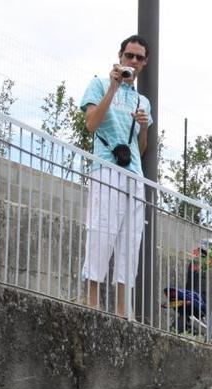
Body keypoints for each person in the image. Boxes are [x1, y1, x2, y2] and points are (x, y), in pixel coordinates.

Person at [80, 34, 153, 317]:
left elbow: (140, 148)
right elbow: (91, 124)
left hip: (133, 173)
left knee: (130, 239)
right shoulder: (99, 84)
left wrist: (144, 127)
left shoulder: (142, 101)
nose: (132, 62)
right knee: (101, 230)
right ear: (120, 56)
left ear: (144, 63)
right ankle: (92, 302)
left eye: (138, 58)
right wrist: (112, 87)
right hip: (106, 167)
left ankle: (124, 309)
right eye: (129, 56)